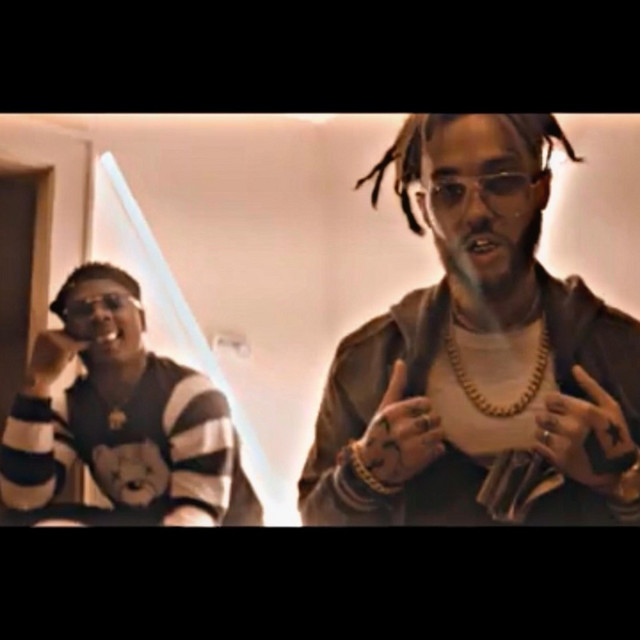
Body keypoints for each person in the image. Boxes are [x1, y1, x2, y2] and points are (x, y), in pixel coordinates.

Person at [298, 113, 640, 526]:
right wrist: (362, 477)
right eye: (449, 191)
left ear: (541, 189)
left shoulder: (623, 353)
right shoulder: (368, 361)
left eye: (501, 182)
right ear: (424, 208)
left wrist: (623, 485)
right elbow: (315, 517)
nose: (476, 211)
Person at [0, 262, 262, 526]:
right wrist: (36, 383)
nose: (99, 315)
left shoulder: (191, 397)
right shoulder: (73, 407)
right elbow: (23, 498)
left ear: (142, 319)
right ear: (69, 331)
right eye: (82, 310)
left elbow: (196, 518)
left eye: (114, 303)